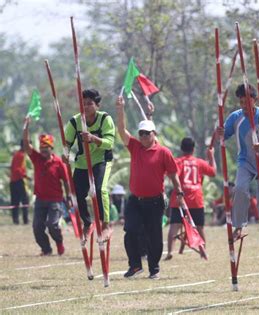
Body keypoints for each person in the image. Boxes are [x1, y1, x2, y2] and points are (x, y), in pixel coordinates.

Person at [116, 96, 184, 279]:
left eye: (147, 133)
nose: (144, 137)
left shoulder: (164, 152)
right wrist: (120, 109)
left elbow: (173, 174)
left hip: (154, 202)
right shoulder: (135, 147)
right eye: (141, 134)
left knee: (154, 236)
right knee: (130, 230)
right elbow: (121, 130)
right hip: (135, 200)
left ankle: (154, 268)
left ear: (154, 133)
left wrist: (179, 192)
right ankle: (135, 265)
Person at [64, 89, 115, 241]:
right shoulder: (75, 121)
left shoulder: (105, 119)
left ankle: (106, 225)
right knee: (75, 195)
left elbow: (109, 143)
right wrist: (65, 153)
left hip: (102, 161)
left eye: (89, 104)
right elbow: (67, 142)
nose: (86, 107)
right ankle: (87, 223)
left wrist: (93, 138)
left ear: (97, 105)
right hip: (82, 163)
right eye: (83, 104)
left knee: (100, 190)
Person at [216, 83, 259, 240]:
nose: (244, 106)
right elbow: (224, 134)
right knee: (240, 189)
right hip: (245, 162)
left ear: (255, 100)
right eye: (241, 103)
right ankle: (239, 227)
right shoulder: (236, 117)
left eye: (247, 102)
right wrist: (220, 132)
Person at [23, 118, 70, 256]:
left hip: (55, 200)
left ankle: (59, 243)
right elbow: (26, 144)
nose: (43, 151)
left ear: (51, 148)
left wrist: (68, 197)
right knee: (37, 227)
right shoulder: (36, 158)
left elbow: (66, 181)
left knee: (52, 225)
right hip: (40, 199)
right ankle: (46, 249)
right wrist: (26, 126)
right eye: (41, 148)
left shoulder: (58, 163)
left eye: (46, 148)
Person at [165, 137, 216, 260]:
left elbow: (171, 174)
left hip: (179, 197)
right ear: (193, 149)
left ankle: (170, 251)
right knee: (199, 227)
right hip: (196, 198)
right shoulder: (199, 162)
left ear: (181, 149)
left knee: (174, 226)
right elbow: (213, 172)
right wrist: (211, 156)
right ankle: (203, 251)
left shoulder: (178, 162)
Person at [9, 140, 30, 225]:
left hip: (14, 181)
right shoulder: (20, 155)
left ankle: (16, 220)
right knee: (24, 200)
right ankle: (25, 220)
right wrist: (26, 176)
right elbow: (17, 170)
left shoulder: (17, 154)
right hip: (18, 181)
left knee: (15, 201)